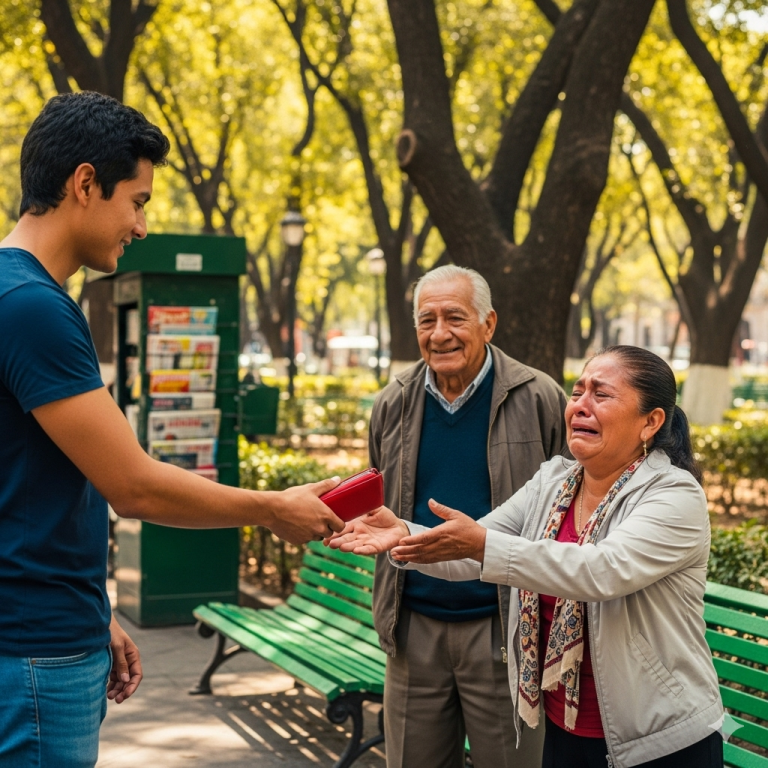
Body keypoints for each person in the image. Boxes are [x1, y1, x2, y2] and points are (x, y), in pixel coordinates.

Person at [0, 92, 343, 768]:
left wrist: (94, 612)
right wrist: (273, 509)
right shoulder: (34, 308)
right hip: (34, 656)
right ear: (85, 183)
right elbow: (133, 486)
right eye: (139, 200)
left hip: (41, 634)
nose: (142, 226)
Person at [330, 345, 724, 768]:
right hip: (563, 729)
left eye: (601, 395)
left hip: (657, 740)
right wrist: (402, 534)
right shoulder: (553, 481)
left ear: (651, 422)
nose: (581, 406)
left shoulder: (674, 495)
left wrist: (481, 545)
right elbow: (473, 551)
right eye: (577, 392)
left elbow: (601, 571)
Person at [366, 265, 567, 768]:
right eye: (426, 320)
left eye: (455, 318)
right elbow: (380, 504)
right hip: (413, 629)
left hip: (506, 627)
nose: (439, 334)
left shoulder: (539, 396)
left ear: (488, 323)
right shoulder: (392, 402)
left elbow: (571, 506)